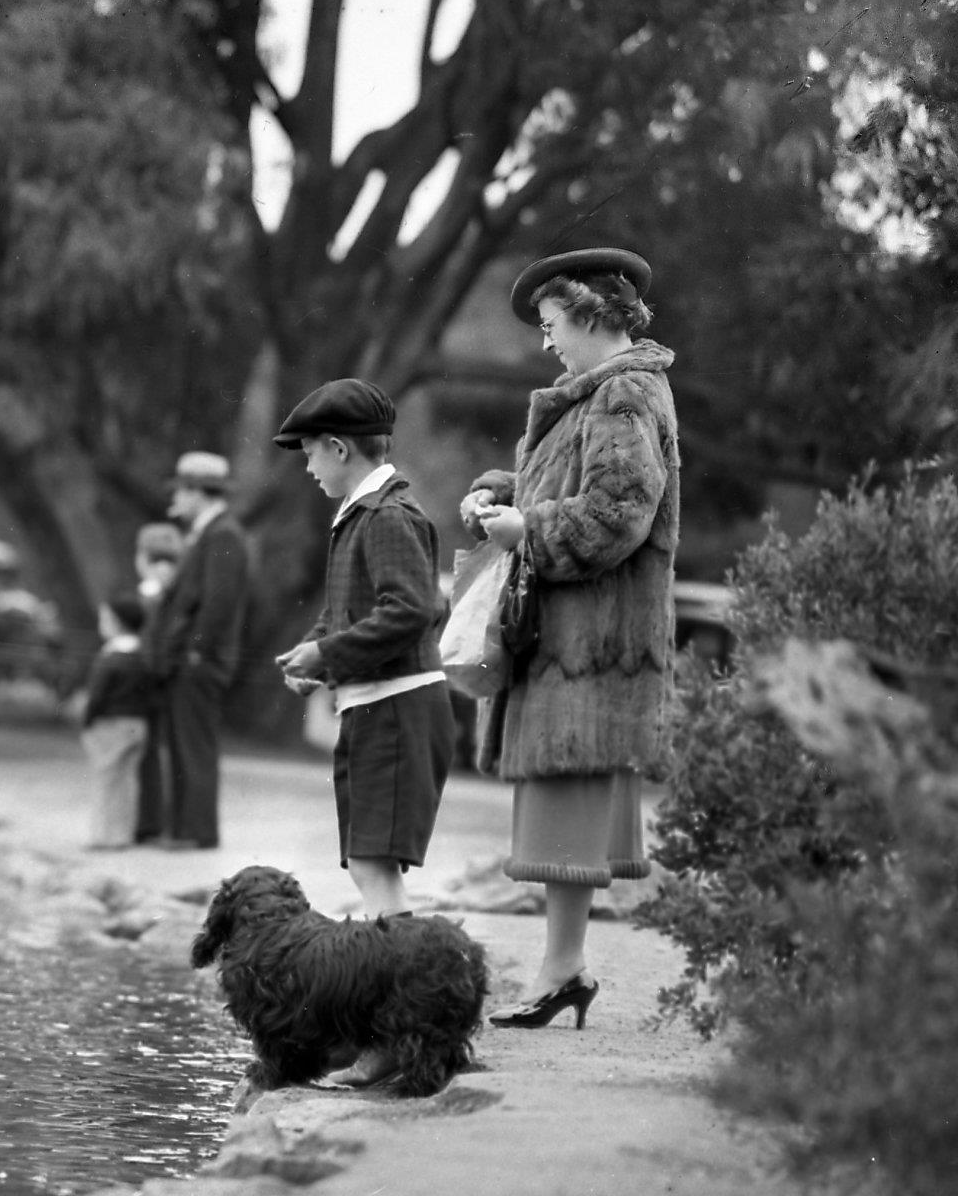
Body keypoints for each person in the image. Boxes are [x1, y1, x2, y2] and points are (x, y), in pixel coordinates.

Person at [459, 247, 678, 1031]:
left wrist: (530, 528)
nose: (546, 341)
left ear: (591, 314)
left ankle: (561, 974)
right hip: (577, 644)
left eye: (552, 324)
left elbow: (621, 511)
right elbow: (580, 489)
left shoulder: (623, 391)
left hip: (590, 646)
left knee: (565, 807)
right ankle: (563, 972)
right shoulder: (603, 394)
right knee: (560, 810)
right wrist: (504, 495)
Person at [270, 379, 457, 921]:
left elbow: (412, 611)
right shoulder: (360, 512)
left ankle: (407, 985)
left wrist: (325, 657)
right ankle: (397, 978)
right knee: (362, 861)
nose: (308, 469)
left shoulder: (387, 515)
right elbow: (344, 610)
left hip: (400, 708)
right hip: (376, 707)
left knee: (373, 863)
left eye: (310, 455)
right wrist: (311, 649)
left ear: (338, 447)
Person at [145, 452, 252, 849]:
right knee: (186, 743)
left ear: (197, 493)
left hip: (199, 663)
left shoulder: (222, 534)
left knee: (193, 745)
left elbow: (217, 603)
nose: (178, 500)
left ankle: (195, 832)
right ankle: (186, 830)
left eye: (182, 491)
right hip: (192, 660)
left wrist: (195, 652)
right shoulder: (209, 533)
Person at [78, 593, 159, 849]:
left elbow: (97, 696)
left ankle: (102, 836)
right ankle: (123, 835)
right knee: (127, 781)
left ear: (116, 622)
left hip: (110, 724)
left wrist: (87, 721)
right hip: (138, 724)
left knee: (106, 780)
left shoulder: (111, 658)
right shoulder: (144, 657)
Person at [132, 521, 183, 843]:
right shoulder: (177, 595)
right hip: (165, 679)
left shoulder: (147, 596)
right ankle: (157, 820)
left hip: (145, 681)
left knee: (146, 754)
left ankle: (148, 821)